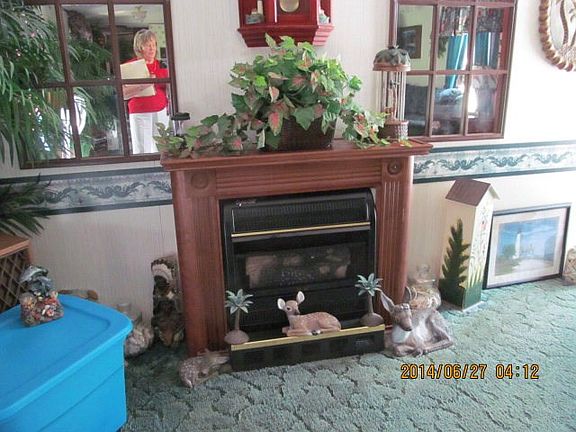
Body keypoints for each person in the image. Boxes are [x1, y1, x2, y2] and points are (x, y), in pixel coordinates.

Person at [123, 29, 169, 154]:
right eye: (148, 45)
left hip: (161, 111)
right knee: (142, 150)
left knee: (162, 149)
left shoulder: (162, 65)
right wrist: (143, 85)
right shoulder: (130, 66)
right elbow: (124, 94)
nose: (152, 48)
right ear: (140, 47)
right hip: (140, 112)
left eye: (154, 44)